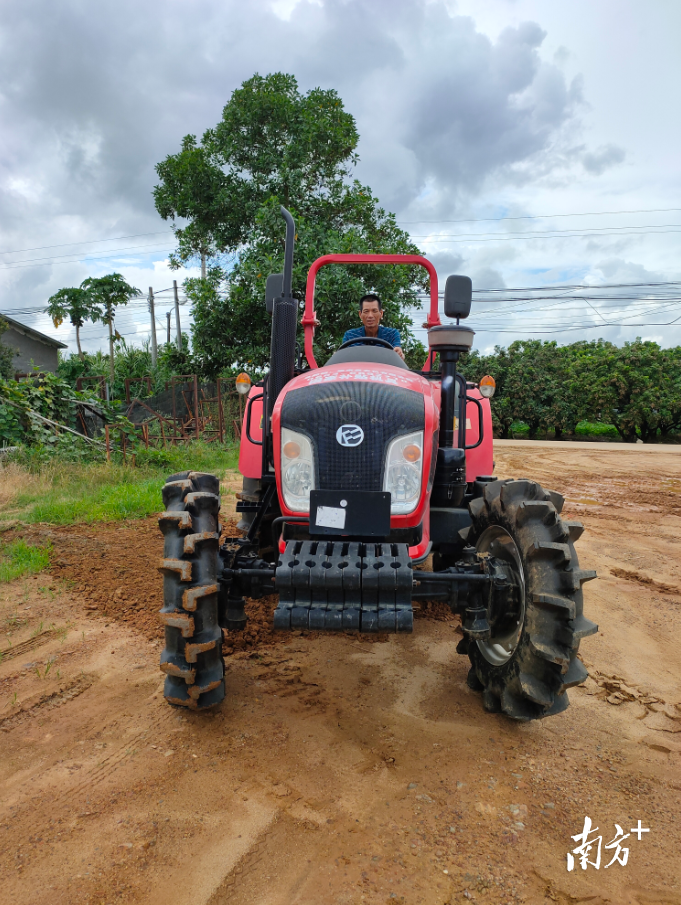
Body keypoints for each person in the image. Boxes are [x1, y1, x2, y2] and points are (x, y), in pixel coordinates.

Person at [341, 294, 405, 360]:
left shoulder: (392, 334)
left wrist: (399, 353)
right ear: (360, 314)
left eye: (374, 311)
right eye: (366, 311)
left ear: (381, 314)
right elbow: (343, 357)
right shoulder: (350, 335)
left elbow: (397, 351)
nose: (370, 316)